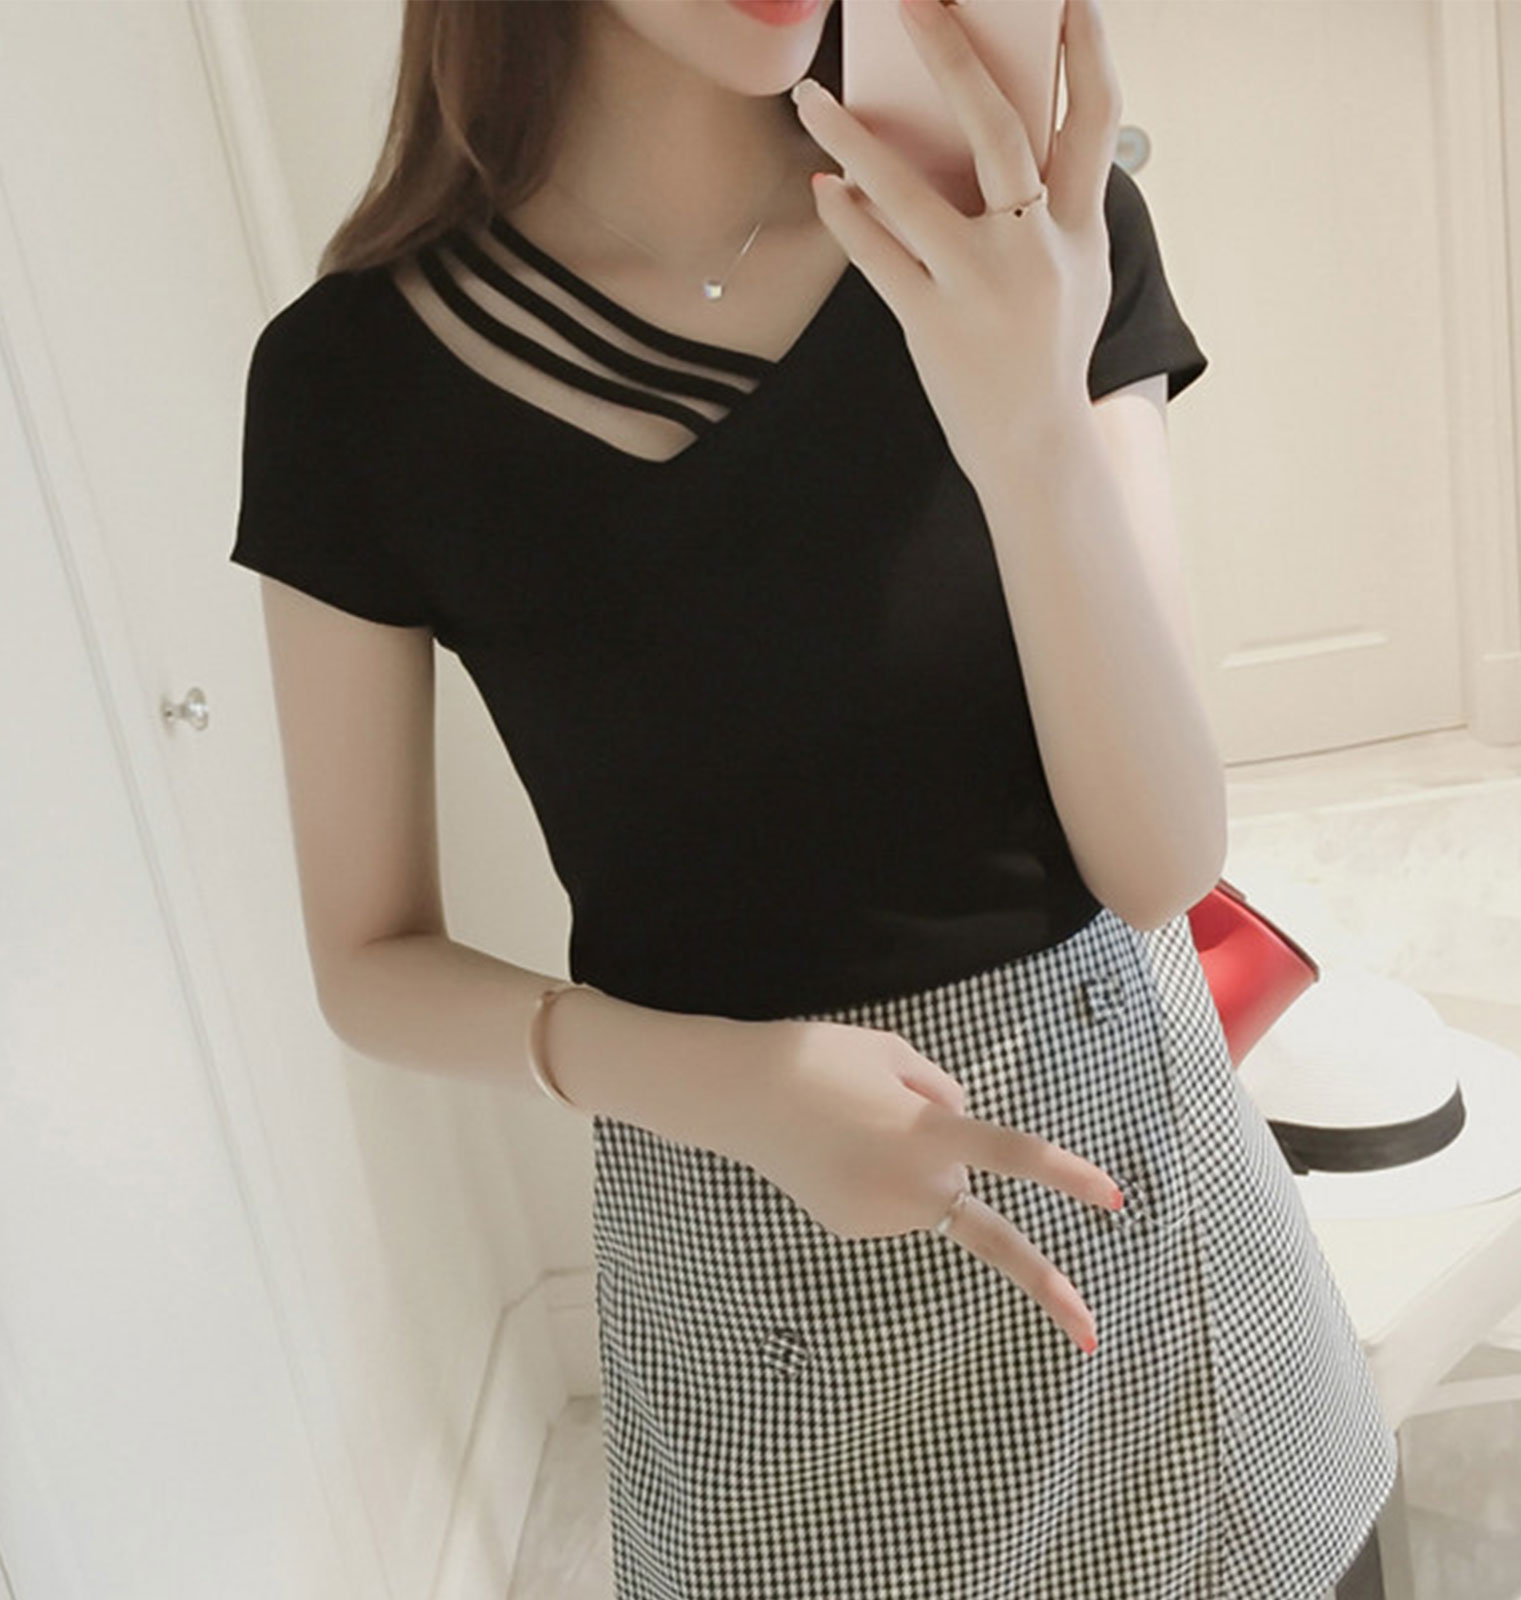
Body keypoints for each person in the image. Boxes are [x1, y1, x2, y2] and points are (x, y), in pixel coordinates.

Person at [229, 0, 1397, 1594]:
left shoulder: (1017, 246)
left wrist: (1031, 432)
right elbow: (368, 960)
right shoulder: (354, 388)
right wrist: (733, 1085)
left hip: (1152, 1229)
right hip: (757, 1280)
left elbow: (1160, 861)